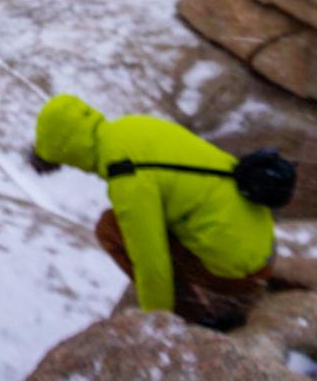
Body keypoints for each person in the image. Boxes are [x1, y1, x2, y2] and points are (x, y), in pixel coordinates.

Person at [34, 94, 275, 329]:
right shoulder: (133, 126)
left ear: (69, 152)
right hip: (262, 241)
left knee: (110, 229)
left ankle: (192, 318)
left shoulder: (126, 176)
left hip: (240, 271)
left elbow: (152, 264)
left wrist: (156, 325)